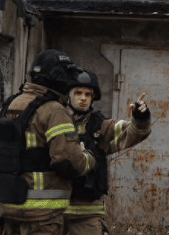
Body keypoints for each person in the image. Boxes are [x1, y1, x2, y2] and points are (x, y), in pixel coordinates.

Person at [0, 49, 96, 235]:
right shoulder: (54, 110)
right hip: (43, 214)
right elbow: (68, 161)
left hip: (10, 208)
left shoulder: (8, 106)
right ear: (58, 77)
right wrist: (88, 157)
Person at [62, 68, 153, 235]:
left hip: (86, 214)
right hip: (52, 213)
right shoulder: (54, 121)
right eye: (78, 93)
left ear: (93, 98)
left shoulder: (101, 127)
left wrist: (141, 118)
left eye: (88, 94)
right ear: (68, 95)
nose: (83, 98)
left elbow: (131, 132)